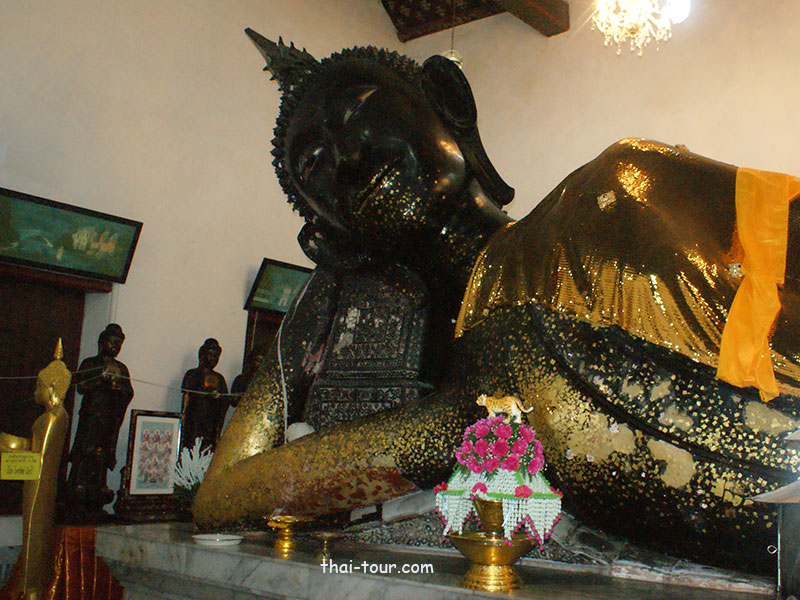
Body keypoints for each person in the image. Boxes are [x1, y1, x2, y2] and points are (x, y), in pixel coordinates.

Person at [195, 31, 800, 586]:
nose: (348, 159)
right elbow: (219, 497)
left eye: (358, 109)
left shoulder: (621, 186)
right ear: (328, 240)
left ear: (449, 101)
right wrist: (327, 283)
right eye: (314, 164)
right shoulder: (469, 404)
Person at [0, 341, 70, 600]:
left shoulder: (52, 417)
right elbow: (35, 447)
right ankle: (28, 585)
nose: (35, 392)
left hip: (39, 482)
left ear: (51, 387)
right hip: (39, 481)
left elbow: (38, 455)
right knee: (33, 532)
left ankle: (30, 588)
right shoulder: (55, 416)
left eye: (38, 386)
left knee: (34, 533)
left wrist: (8, 445)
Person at [65, 323, 134, 519]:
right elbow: (81, 386)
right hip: (92, 418)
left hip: (110, 420)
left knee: (102, 456)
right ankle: (78, 489)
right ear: (102, 342)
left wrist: (118, 389)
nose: (115, 348)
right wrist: (100, 381)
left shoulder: (121, 368)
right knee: (86, 453)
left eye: (118, 345)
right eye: (112, 343)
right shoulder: (90, 363)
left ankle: (98, 490)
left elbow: (129, 392)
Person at [180, 338, 229, 453]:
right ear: (203, 354)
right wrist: (182, 418)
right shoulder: (192, 374)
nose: (213, 359)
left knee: (207, 449)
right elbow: (186, 397)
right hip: (194, 420)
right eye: (211, 355)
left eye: (216, 356)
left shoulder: (219, 378)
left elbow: (225, 401)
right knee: (191, 447)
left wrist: (218, 398)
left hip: (211, 421)